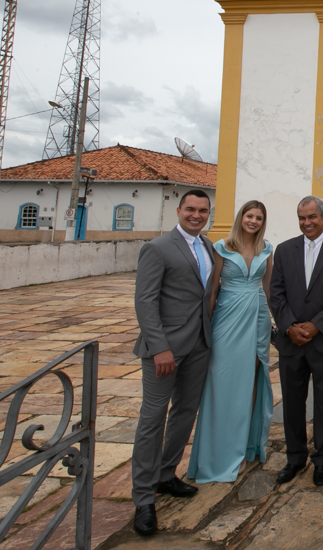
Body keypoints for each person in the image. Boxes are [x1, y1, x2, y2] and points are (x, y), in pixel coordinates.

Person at [129, 189, 216, 536]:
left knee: (184, 413)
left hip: (199, 344)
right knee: (152, 419)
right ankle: (143, 498)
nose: (196, 215)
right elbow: (145, 301)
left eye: (203, 210)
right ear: (178, 210)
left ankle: (166, 474)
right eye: (190, 209)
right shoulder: (158, 248)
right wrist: (159, 347)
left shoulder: (208, 246)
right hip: (164, 350)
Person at [269, 195, 323, 488]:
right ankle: (295, 457)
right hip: (291, 341)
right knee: (292, 403)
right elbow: (276, 294)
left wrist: (317, 325)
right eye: (302, 218)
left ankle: (322, 459)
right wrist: (289, 326)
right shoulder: (284, 250)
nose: (307, 223)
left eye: (312, 217)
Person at [187, 200, 274, 484]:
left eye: (258, 218)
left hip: (257, 318)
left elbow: (269, 289)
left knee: (252, 380)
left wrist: (280, 321)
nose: (253, 221)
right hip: (227, 318)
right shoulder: (222, 247)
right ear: (241, 217)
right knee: (221, 382)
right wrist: (206, 328)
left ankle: (246, 446)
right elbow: (212, 290)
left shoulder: (267, 249)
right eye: (249, 216)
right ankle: (218, 453)